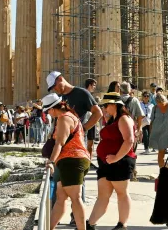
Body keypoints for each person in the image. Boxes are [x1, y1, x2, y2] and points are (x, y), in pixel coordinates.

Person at [47, 71, 103, 226]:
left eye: (54, 86)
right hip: (63, 152)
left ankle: (76, 219)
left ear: (60, 80)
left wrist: (83, 128)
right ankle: (55, 220)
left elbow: (98, 113)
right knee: (61, 190)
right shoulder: (60, 99)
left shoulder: (81, 93)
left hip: (74, 149)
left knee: (76, 190)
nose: (54, 90)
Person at [86, 93, 136, 230]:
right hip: (106, 163)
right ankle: (90, 224)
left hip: (120, 162)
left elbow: (129, 140)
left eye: (106, 105)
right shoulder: (112, 120)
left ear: (114, 104)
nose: (104, 108)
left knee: (122, 193)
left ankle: (122, 224)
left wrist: (116, 158)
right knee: (102, 195)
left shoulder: (124, 119)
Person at [42, 93, 90, 230]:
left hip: (72, 160)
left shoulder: (64, 119)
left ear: (52, 109)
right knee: (61, 197)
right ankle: (49, 227)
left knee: (75, 198)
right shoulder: (71, 116)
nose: (48, 114)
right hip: (73, 159)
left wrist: (51, 161)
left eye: (47, 111)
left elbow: (59, 143)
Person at [120, 82, 144, 153]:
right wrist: (139, 129)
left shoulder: (116, 100)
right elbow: (140, 115)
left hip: (119, 127)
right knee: (131, 150)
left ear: (120, 90)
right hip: (131, 127)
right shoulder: (134, 100)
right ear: (130, 90)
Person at [84, 78, 98, 164]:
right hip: (86, 121)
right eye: (94, 85)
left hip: (92, 120)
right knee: (87, 143)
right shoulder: (84, 95)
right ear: (89, 85)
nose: (95, 87)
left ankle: (89, 161)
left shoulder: (91, 96)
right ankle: (86, 160)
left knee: (91, 142)